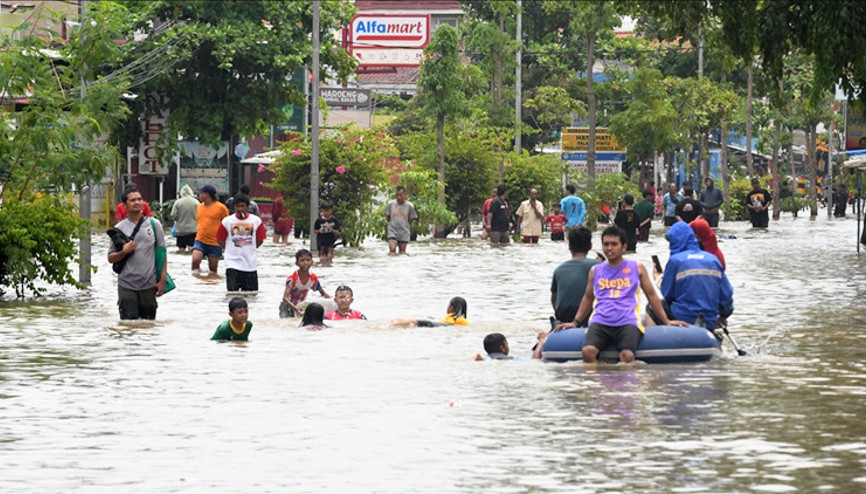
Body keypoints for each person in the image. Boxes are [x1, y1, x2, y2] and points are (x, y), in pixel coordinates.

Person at [554, 226, 687, 364]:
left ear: (624, 247)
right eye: (606, 244)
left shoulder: (637, 267)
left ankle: (625, 384)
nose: (609, 248)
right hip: (600, 321)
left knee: (627, 356)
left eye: (614, 244)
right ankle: (594, 384)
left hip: (627, 321)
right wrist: (575, 322)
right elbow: (588, 297)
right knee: (587, 352)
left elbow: (652, 295)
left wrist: (666, 321)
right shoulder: (595, 270)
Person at [647, 221, 734, 330]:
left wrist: (658, 278)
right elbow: (726, 294)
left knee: (652, 306)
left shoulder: (676, 260)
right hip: (709, 319)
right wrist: (723, 316)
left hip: (684, 317)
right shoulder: (713, 259)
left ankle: (655, 342)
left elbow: (667, 293)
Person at [107, 189, 167, 320]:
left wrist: (162, 280)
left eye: (139, 199)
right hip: (126, 284)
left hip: (149, 284)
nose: (137, 202)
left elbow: (162, 254)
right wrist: (124, 252)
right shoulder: (119, 228)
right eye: (133, 200)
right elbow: (110, 258)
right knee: (129, 326)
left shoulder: (154, 224)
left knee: (148, 327)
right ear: (125, 205)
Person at [216, 193, 267, 291]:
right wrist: (230, 250)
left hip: (250, 265)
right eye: (237, 206)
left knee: (251, 296)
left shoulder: (256, 221)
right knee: (232, 295)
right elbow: (220, 239)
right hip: (232, 264)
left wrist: (250, 248)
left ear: (247, 207)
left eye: (242, 206)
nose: (240, 209)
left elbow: (260, 240)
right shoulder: (227, 221)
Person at [550, 227, 600, 325]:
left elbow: (554, 299)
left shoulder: (559, 270)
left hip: (563, 316)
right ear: (590, 246)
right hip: (588, 317)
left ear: (569, 246)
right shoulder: (599, 266)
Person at [279, 249, 330, 318]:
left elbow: (323, 294)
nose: (305, 263)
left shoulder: (313, 279)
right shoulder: (292, 278)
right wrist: (295, 309)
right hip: (287, 306)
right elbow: (285, 298)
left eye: (308, 260)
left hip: (300, 306)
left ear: (312, 262)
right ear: (296, 263)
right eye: (302, 260)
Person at [191, 184, 229, 274]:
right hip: (200, 240)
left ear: (207, 194)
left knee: (213, 270)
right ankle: (195, 279)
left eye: (200, 193)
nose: (199, 195)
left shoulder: (221, 208)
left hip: (215, 242)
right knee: (195, 260)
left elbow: (227, 224)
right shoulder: (199, 207)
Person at [390, 296, 470, 327]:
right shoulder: (463, 321)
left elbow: (446, 323)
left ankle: (396, 321)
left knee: (412, 321)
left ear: (451, 308)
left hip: (433, 324)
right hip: (436, 325)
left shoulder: (451, 316)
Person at [385, 185, 418, 255]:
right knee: (392, 250)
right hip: (392, 230)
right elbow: (388, 216)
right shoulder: (391, 204)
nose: (399, 197)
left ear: (404, 195)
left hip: (404, 231)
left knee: (402, 253)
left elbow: (412, 218)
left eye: (401, 195)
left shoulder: (409, 206)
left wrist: (405, 225)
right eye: (397, 195)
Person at [472, 332, 546, 360]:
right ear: (502, 348)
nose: (508, 347)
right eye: (507, 345)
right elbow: (535, 358)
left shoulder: (486, 358)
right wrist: (542, 339)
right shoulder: (512, 359)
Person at [170, 184, 199, 253]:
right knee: (192, 248)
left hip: (181, 230)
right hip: (193, 230)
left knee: (181, 249)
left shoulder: (178, 202)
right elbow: (201, 215)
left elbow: (173, 215)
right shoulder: (196, 202)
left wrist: (178, 219)